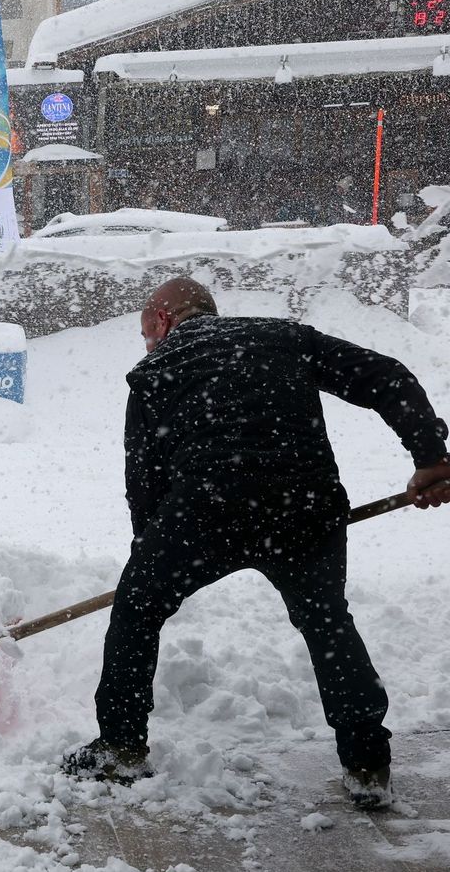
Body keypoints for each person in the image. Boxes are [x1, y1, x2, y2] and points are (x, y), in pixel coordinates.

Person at [63, 277, 450, 808]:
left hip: (204, 509)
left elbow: (144, 476)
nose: (147, 344)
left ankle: (120, 747)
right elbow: (385, 377)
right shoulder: (283, 337)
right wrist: (430, 457)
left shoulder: (154, 369)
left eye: (145, 332)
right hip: (302, 505)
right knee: (326, 621)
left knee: (137, 612)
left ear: (161, 319)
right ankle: (366, 763)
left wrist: (151, 558)